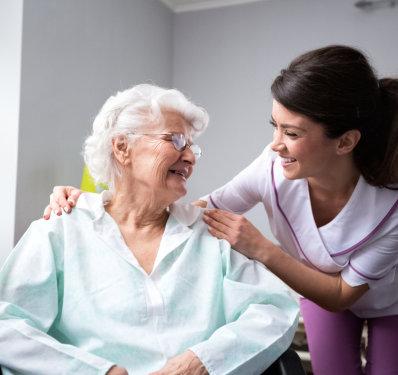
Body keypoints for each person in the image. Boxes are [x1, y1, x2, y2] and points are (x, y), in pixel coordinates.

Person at [45, 45, 398, 375]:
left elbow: (334, 296)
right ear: (121, 148)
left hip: (386, 302)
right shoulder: (272, 166)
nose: (275, 145)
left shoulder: (390, 210)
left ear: (346, 142)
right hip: (320, 296)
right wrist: (102, 204)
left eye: (290, 132)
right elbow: (205, 209)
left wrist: (260, 248)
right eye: (274, 126)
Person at [0, 84, 299, 375]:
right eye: (176, 140)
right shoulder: (60, 232)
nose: (191, 157)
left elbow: (275, 311)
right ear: (121, 147)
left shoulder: (209, 234)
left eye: (192, 146)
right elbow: (7, 328)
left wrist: (200, 363)